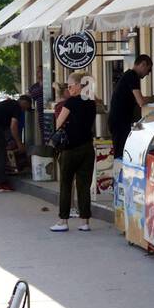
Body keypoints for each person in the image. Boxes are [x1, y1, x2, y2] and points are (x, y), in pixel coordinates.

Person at [50, 72, 97, 233]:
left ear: (79, 85)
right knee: (84, 185)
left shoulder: (71, 102)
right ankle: (85, 221)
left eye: (70, 86)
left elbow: (58, 123)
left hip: (70, 149)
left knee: (66, 184)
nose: (69, 89)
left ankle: (63, 220)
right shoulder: (91, 102)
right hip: (87, 147)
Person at [109, 55, 153, 162]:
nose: (148, 73)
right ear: (143, 64)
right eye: (149, 69)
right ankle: (118, 176)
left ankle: (120, 175)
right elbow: (141, 101)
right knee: (120, 154)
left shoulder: (128, 76)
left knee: (122, 153)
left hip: (120, 121)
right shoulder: (132, 76)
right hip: (119, 122)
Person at [0, 93, 27, 192]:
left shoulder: (7, 103)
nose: (25, 111)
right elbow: (13, 127)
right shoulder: (17, 107)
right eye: (26, 108)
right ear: (24, 103)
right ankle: (1, 184)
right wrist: (19, 144)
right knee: (1, 155)